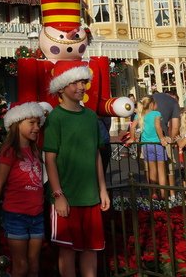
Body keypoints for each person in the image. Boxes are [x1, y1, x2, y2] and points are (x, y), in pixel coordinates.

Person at [44, 64, 110, 277]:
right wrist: (58, 194)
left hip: (90, 196)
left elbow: (95, 155)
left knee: (92, 248)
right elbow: (50, 159)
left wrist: (102, 189)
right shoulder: (55, 118)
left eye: (83, 82)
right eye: (76, 82)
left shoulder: (91, 117)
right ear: (62, 88)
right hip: (67, 197)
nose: (82, 86)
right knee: (67, 249)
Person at [0, 102, 47, 277]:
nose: (37, 127)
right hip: (16, 216)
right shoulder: (9, 152)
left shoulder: (35, 150)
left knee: (34, 266)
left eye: (38, 123)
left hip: (37, 215)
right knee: (20, 266)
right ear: (17, 123)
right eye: (32, 123)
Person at [136, 96, 169, 197]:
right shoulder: (156, 113)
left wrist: (132, 138)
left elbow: (132, 126)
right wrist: (162, 138)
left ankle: (153, 192)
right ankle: (163, 193)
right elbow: (157, 126)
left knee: (151, 170)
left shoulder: (140, 115)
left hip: (146, 145)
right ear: (151, 104)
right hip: (157, 144)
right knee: (161, 170)